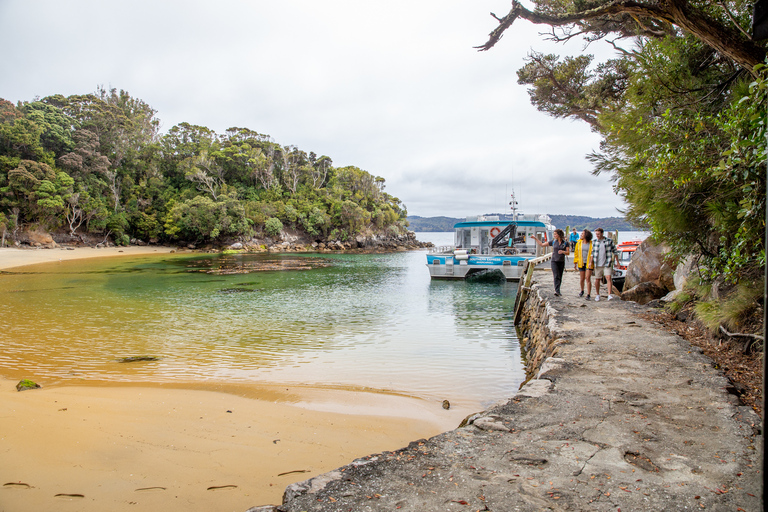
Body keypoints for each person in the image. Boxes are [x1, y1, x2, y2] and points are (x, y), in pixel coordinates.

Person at [531, 229, 570, 296]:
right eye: (554, 234)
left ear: (559, 235)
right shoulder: (553, 242)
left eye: (555, 234)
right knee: (556, 275)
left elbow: (568, 252)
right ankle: (557, 291)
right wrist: (535, 238)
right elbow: (542, 244)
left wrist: (563, 252)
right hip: (554, 261)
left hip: (561, 261)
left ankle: (558, 290)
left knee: (560, 276)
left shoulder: (566, 243)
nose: (554, 235)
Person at [591, 228, 619, 301]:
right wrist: (591, 262)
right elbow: (592, 253)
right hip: (597, 263)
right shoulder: (594, 242)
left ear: (602, 233)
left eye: (598, 234)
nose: (597, 235)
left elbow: (615, 251)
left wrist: (617, 262)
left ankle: (609, 294)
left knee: (608, 277)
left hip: (607, 262)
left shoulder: (609, 241)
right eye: (596, 234)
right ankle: (597, 294)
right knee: (597, 279)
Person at [572, 229, 593, 299]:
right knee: (582, 278)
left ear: (586, 235)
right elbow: (576, 253)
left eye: (582, 234)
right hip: (581, 262)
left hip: (589, 263)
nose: (581, 235)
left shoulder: (591, 243)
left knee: (588, 278)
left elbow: (593, 253)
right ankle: (582, 290)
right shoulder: (579, 243)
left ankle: (589, 294)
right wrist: (575, 263)